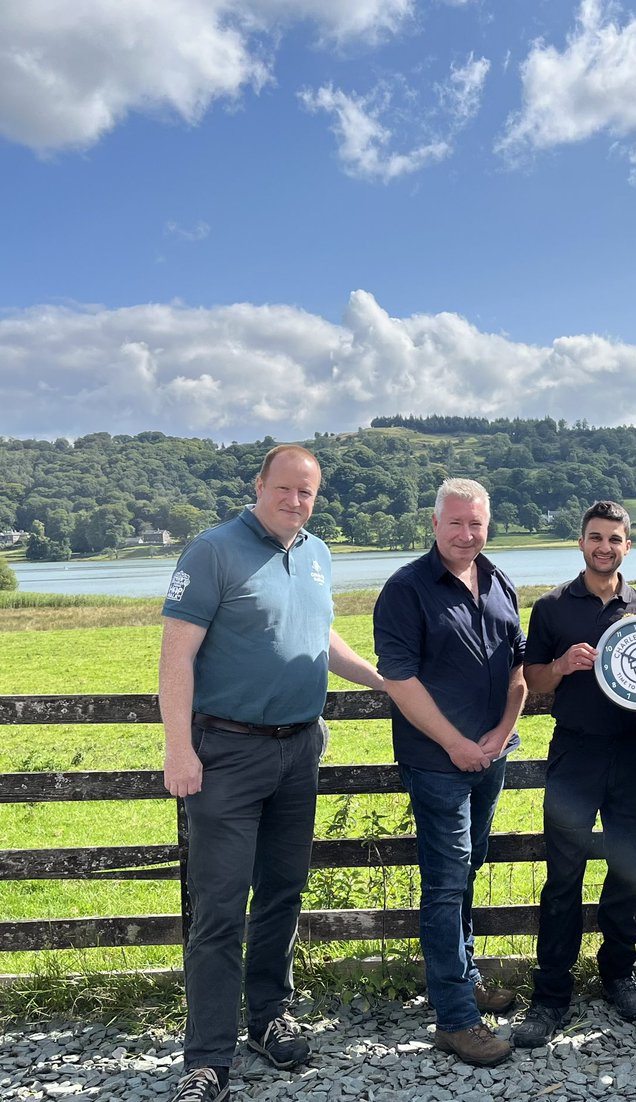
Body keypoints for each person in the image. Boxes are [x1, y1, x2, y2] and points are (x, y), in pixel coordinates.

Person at [159, 444, 385, 1102]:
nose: (294, 501)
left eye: (306, 493)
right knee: (221, 908)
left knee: (283, 895)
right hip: (226, 751)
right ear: (259, 485)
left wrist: (379, 678)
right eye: (283, 488)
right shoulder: (212, 550)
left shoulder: (315, 554)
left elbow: (320, 637)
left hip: (298, 750)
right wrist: (179, 747)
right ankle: (205, 1060)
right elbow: (177, 656)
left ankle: (267, 1020)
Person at [373, 478, 527, 1068]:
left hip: (490, 753)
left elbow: (517, 669)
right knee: (444, 882)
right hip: (438, 762)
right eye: (456, 523)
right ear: (434, 524)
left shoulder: (498, 580)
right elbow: (401, 682)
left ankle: (459, 980)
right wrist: (457, 743)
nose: (467, 534)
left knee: (470, 867)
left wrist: (496, 734)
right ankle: (457, 1020)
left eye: (477, 524)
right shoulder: (406, 590)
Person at [512, 501, 636, 1047]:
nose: (604, 546)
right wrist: (560, 666)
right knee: (562, 878)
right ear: (580, 542)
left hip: (633, 753)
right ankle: (551, 993)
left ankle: (617, 975)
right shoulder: (553, 607)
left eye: (615, 539)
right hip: (574, 754)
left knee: (629, 872)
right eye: (595, 537)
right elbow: (533, 679)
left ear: (628, 546)